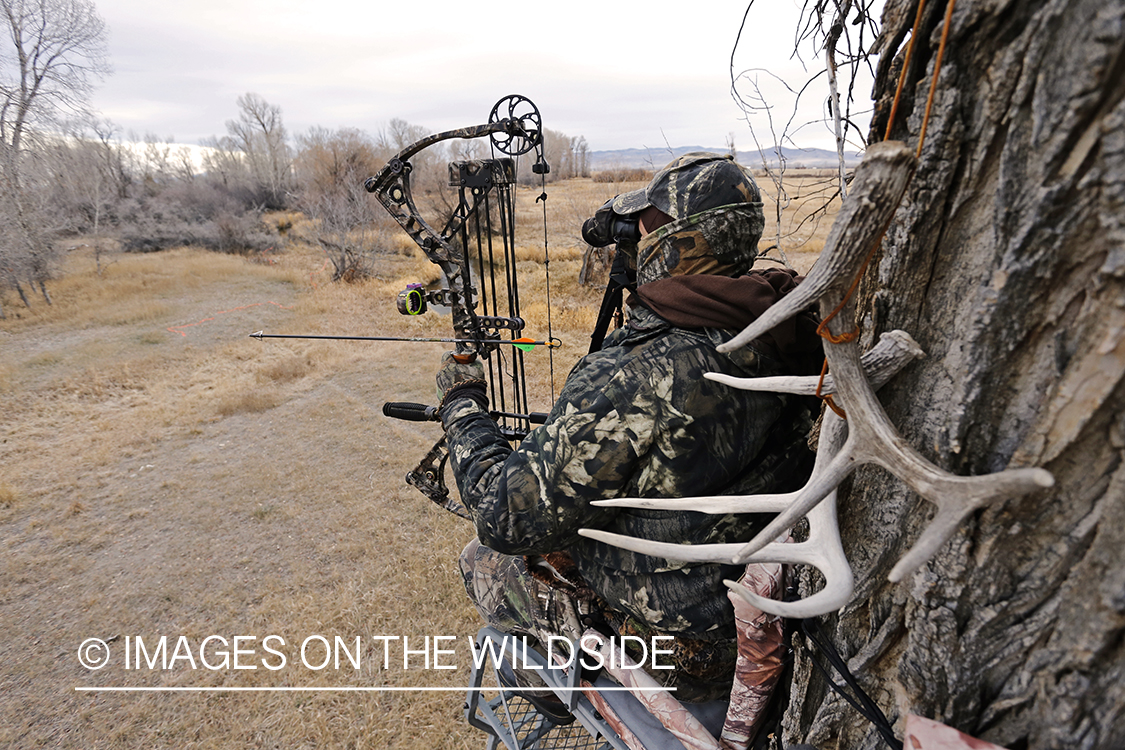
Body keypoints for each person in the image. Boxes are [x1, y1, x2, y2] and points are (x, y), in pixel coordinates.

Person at [435, 152, 824, 705]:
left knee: (485, 560)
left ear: (679, 241)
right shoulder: (784, 326)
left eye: (646, 224)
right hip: (754, 617)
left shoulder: (641, 374)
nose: (634, 237)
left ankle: (551, 688)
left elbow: (504, 516)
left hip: (683, 651)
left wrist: (462, 403)